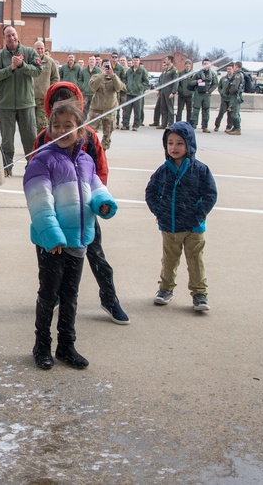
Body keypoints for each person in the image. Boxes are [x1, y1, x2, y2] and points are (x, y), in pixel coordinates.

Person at [25, 100, 118, 370]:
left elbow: (96, 186)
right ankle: (41, 345)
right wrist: (51, 236)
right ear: (50, 129)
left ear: (80, 130)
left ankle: (66, 345)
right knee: (48, 295)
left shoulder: (86, 161)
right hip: (52, 243)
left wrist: (103, 202)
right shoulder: (42, 159)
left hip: (79, 239)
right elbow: (39, 200)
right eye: (57, 126)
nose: (63, 131)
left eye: (69, 126)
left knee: (71, 295)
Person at [35, 82, 130, 325]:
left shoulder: (89, 137)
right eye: (58, 113)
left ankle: (109, 298)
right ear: (50, 112)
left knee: (96, 256)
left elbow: (99, 172)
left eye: (70, 115)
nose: (63, 129)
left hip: (84, 214)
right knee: (50, 260)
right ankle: (53, 296)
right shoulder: (43, 139)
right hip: (54, 215)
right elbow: (35, 178)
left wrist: (97, 203)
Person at [145, 121, 218, 311]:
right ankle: (165, 289)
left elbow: (210, 194)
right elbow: (151, 191)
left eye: (179, 143)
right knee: (169, 260)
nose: (174, 147)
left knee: (195, 261)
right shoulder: (163, 170)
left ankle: (200, 294)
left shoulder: (201, 169)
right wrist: (159, 211)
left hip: (194, 227)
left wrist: (198, 214)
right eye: (170, 143)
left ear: (189, 145)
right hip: (169, 227)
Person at [0, 25, 41, 176]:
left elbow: (38, 71)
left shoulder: (30, 52)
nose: (11, 38)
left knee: (30, 137)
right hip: (6, 105)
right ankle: (7, 167)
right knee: (7, 140)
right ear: (4, 38)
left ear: (17, 35)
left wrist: (22, 65)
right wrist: (10, 68)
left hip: (26, 104)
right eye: (8, 36)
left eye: (13, 34)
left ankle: (32, 166)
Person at [33, 39, 60, 132]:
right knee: (30, 124)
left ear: (44, 49)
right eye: (37, 49)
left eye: (41, 48)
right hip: (30, 98)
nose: (39, 51)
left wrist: (50, 90)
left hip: (43, 98)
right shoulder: (29, 61)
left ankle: (41, 143)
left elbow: (55, 78)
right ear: (34, 49)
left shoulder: (50, 62)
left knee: (42, 124)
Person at [122, 55, 151, 131]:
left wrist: (141, 88)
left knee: (137, 110)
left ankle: (136, 125)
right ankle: (125, 124)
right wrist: (126, 86)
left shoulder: (142, 71)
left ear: (139, 61)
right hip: (129, 93)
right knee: (127, 110)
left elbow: (146, 81)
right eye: (134, 60)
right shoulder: (129, 71)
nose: (135, 62)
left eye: (137, 60)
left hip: (138, 94)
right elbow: (125, 79)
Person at [190, 59, 219, 132]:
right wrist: (197, 81)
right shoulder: (198, 74)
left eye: (207, 63)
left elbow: (215, 84)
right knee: (195, 110)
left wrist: (209, 91)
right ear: (202, 65)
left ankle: (205, 126)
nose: (206, 65)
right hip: (198, 94)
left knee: (206, 110)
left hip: (207, 95)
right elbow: (191, 83)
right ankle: (193, 125)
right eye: (204, 63)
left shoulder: (213, 74)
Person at [152, 55, 178, 128]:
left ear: (170, 60)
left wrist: (173, 92)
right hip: (163, 92)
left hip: (169, 92)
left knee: (170, 108)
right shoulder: (164, 70)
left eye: (166, 59)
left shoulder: (174, 70)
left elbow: (176, 82)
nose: (165, 61)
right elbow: (161, 81)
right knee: (163, 108)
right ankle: (163, 124)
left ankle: (171, 124)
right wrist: (159, 90)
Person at [226, 61, 246, 135]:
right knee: (234, 112)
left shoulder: (237, 75)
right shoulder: (239, 74)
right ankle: (235, 127)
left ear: (236, 66)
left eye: (234, 66)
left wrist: (230, 91)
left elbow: (235, 87)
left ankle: (237, 128)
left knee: (234, 113)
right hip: (235, 96)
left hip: (235, 96)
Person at [213, 64, 235, 132]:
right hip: (224, 99)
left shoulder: (235, 79)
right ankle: (217, 125)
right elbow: (219, 87)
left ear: (233, 69)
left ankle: (228, 127)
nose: (228, 70)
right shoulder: (223, 78)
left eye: (230, 69)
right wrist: (221, 93)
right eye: (227, 69)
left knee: (230, 114)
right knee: (221, 113)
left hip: (231, 100)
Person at [113, 54, 128, 126]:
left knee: (122, 107)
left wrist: (120, 86)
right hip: (112, 90)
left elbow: (124, 79)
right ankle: (115, 122)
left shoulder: (121, 68)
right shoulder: (110, 67)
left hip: (121, 91)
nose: (114, 58)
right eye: (113, 57)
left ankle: (121, 122)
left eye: (115, 57)